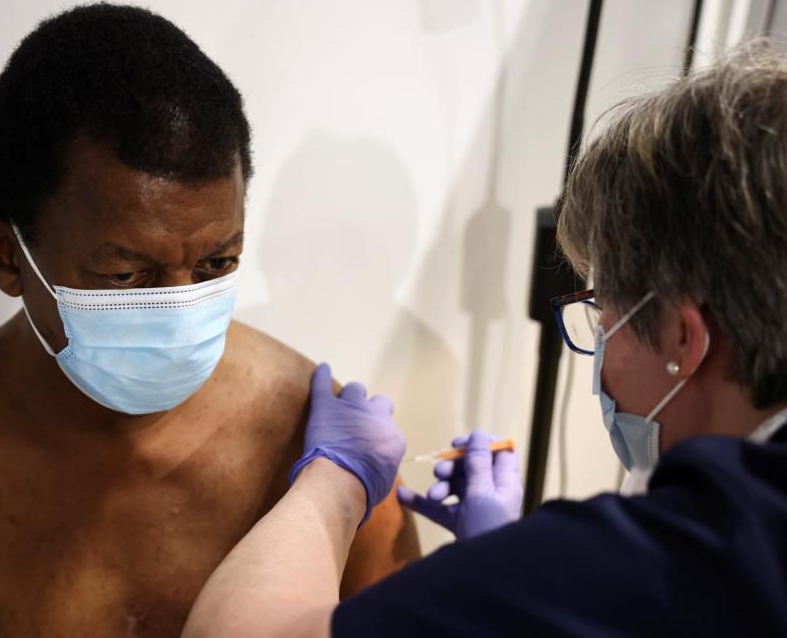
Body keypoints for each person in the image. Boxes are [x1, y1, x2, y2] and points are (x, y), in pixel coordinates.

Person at [0, 5, 419, 637]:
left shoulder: (326, 458)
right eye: (125, 275)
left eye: (218, 261)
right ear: (3, 253)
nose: (178, 307)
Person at [183, 41, 787, 637]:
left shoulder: (684, 555)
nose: (598, 360)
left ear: (684, 339)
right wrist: (504, 563)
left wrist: (335, 480)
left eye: (603, 316)